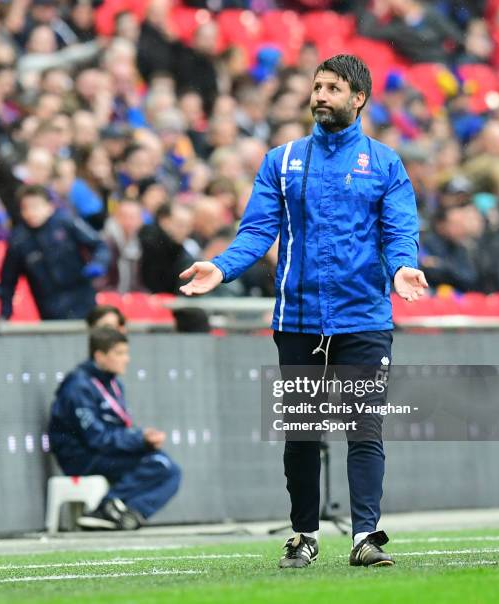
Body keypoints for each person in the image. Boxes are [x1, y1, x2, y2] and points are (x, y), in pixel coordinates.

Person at [179, 55, 428, 568]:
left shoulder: (385, 164)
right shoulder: (282, 160)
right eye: (317, 86)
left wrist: (403, 268)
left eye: (333, 88)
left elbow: (400, 231)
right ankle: (304, 535)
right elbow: (256, 231)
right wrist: (222, 268)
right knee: (302, 433)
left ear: (358, 98)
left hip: (364, 319)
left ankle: (364, 535)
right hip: (297, 320)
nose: (320, 95)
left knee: (364, 430)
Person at [49, 327, 181, 529]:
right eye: (119, 353)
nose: (126, 359)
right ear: (99, 356)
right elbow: (96, 437)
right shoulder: (78, 386)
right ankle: (105, 507)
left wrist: (142, 437)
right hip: (82, 457)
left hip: (103, 452)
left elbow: (117, 427)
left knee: (170, 469)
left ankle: (126, 513)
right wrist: (139, 440)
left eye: (126, 353)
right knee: (160, 464)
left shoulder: (114, 383)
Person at [0, 185, 110, 320]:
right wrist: (5, 314)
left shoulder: (66, 223)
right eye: (25, 207)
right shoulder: (18, 241)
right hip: (50, 309)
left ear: (49, 207)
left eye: (36, 206)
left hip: (82, 298)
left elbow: (100, 245)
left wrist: (99, 263)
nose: (31, 212)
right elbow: (8, 281)